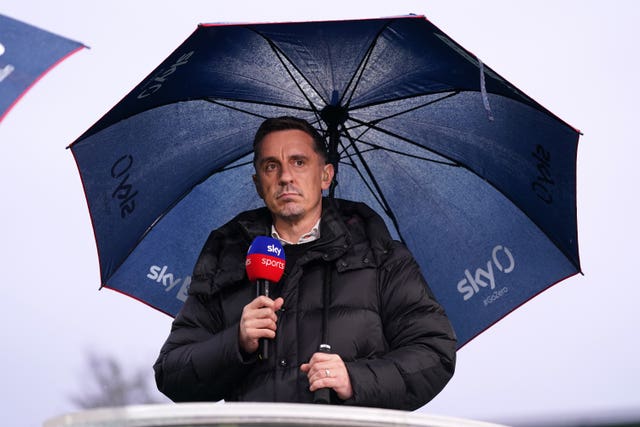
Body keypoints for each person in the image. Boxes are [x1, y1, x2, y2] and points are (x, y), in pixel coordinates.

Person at [154, 116, 457, 410]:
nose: (285, 177)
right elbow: (171, 373)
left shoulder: (380, 255)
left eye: (299, 162)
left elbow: (434, 352)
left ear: (326, 175)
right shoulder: (227, 257)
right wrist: (237, 341)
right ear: (258, 183)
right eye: (271, 166)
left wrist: (354, 379)